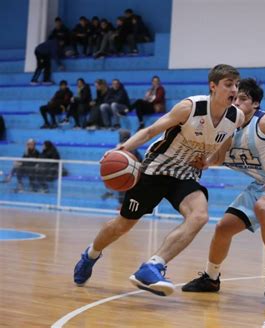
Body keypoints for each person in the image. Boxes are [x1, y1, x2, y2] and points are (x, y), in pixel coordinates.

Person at [73, 64, 244, 297]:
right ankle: (91, 254)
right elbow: (150, 131)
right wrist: (121, 149)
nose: (234, 89)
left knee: (200, 216)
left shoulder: (236, 117)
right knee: (123, 224)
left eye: (236, 85)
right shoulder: (190, 107)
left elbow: (224, 142)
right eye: (228, 84)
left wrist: (209, 161)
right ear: (213, 87)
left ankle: (153, 265)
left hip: (185, 175)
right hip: (156, 169)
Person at [181, 78, 265, 297]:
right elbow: (220, 158)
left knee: (264, 207)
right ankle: (211, 278)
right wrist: (205, 162)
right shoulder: (228, 127)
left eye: (243, 99)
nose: (237, 103)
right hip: (261, 186)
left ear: (255, 104)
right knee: (223, 227)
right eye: (234, 98)